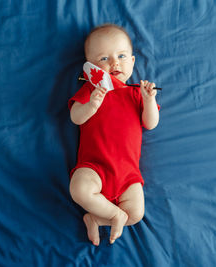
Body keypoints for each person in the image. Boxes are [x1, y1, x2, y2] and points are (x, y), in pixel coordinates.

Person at [68, 24, 160, 246]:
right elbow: (75, 117)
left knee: (136, 213)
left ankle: (97, 218)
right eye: (104, 59)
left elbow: (150, 123)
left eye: (121, 56)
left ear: (132, 61)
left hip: (127, 174)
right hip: (94, 167)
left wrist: (149, 101)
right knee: (78, 189)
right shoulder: (92, 90)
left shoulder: (136, 93)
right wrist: (91, 105)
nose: (114, 63)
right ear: (90, 67)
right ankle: (116, 215)